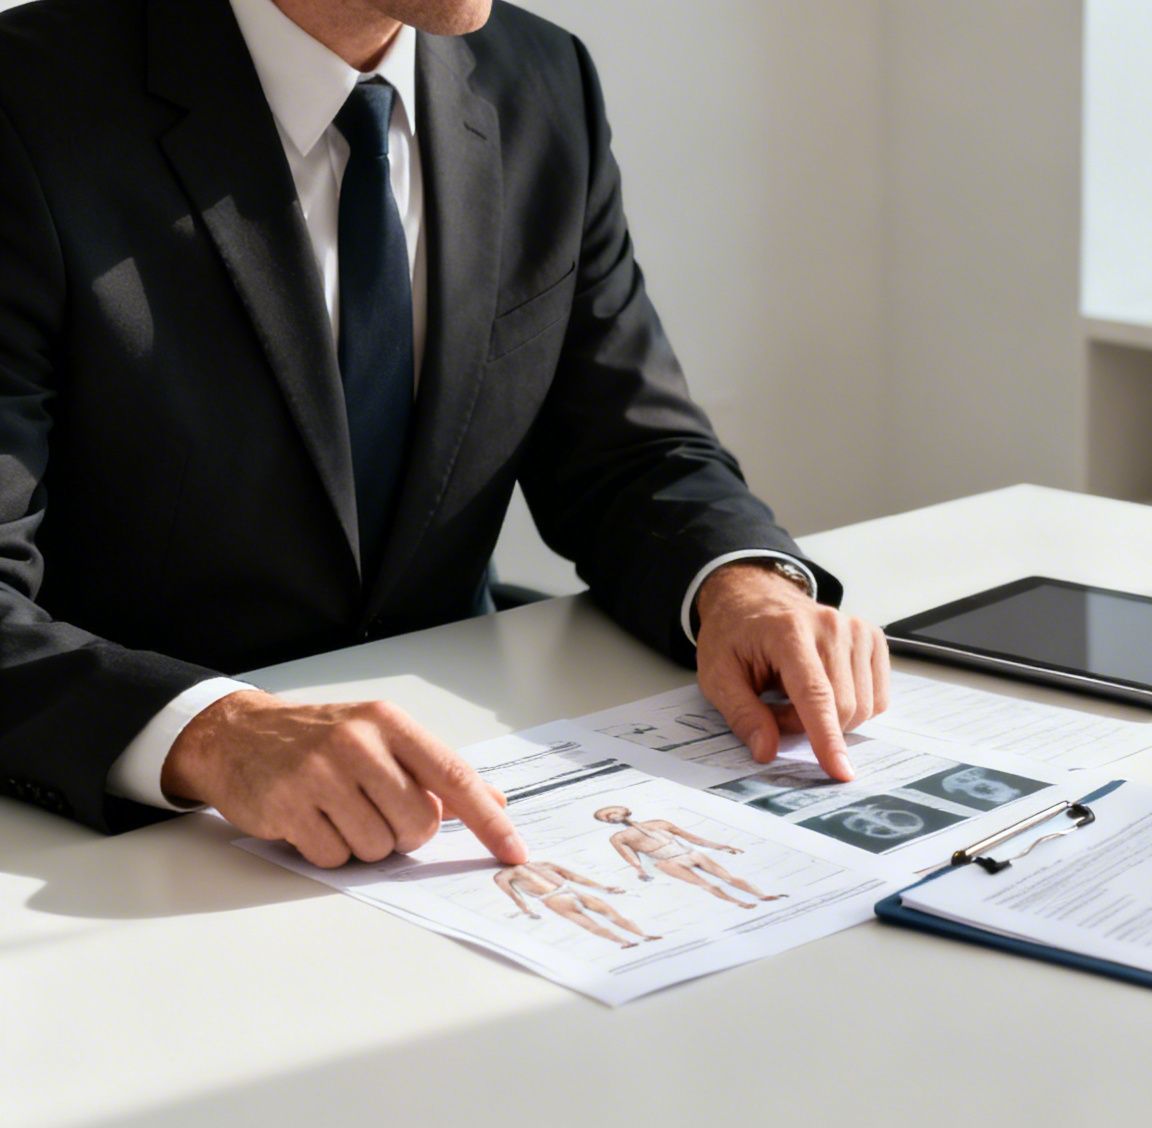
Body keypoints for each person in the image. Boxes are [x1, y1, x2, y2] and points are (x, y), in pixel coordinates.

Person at [0, 0, 892, 868]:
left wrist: (743, 584)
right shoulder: (28, 99)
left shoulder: (542, 79)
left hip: (467, 809)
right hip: (141, 843)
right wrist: (211, 733)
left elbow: (628, 449)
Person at [596, 806, 785, 909]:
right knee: (706, 884)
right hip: (666, 861)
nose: (610, 817)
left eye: (611, 812)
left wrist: (721, 846)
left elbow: (691, 837)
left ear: (623, 810)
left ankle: (763, 895)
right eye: (605, 817)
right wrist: (639, 870)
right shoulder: (619, 837)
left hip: (688, 852)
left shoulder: (660, 823)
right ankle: (739, 903)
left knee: (728, 877)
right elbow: (630, 856)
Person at [493, 860, 660, 949]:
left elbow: (574, 877)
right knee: (590, 924)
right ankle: (623, 942)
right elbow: (513, 895)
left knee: (613, 914)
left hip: (571, 890)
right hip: (553, 898)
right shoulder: (503, 875)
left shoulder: (544, 864)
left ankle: (642, 935)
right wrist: (526, 910)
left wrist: (602, 888)